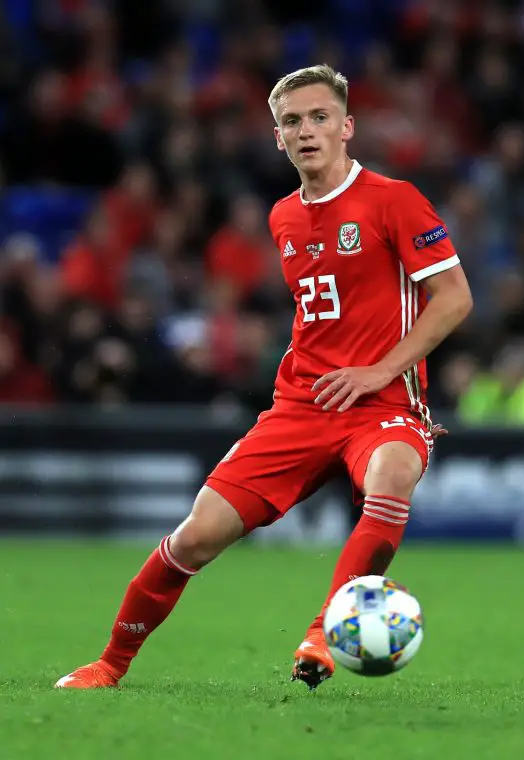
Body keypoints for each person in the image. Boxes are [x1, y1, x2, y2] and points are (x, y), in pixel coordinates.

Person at [55, 64, 472, 691]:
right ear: (278, 137)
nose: (307, 130)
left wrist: (382, 370)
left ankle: (324, 632)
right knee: (195, 538)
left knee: (391, 475)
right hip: (301, 406)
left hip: (383, 403)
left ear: (347, 127)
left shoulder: (394, 200)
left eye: (320, 117)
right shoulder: (283, 218)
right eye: (292, 121)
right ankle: (110, 664)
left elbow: (454, 297)